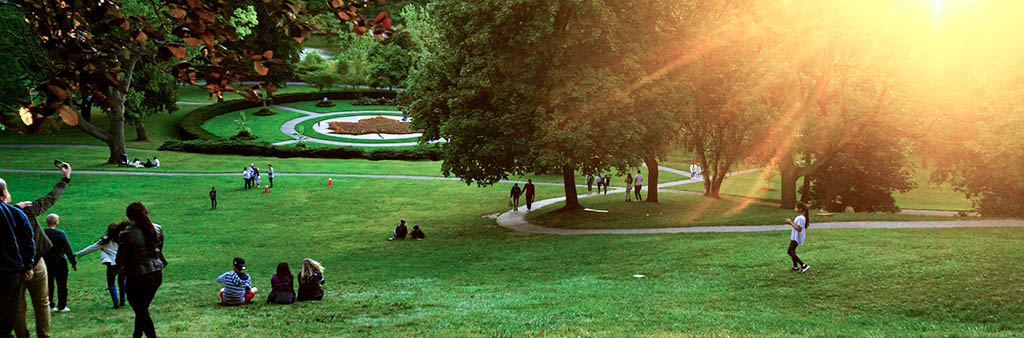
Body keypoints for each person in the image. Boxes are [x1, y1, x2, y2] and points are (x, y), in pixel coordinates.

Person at [13, 162, 71, 338]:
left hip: (13, 267)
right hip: (35, 263)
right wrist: (65, 178)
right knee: (42, 303)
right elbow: (50, 198)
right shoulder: (26, 212)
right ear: (4, 194)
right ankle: (44, 336)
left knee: (17, 305)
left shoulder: (17, 211)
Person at [116, 202, 166, 338]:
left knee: (141, 311)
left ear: (129, 217)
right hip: (156, 274)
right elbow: (159, 250)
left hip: (138, 277)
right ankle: (137, 334)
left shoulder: (127, 234)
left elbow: (119, 260)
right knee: (142, 309)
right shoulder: (157, 229)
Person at [1, 177, 35, 338]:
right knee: (7, 314)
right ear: (4, 192)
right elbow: (27, 242)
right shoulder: (15, 214)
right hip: (9, 272)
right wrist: (28, 266)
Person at [76, 222, 128, 309]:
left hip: (112, 265)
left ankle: (115, 302)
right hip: (122, 264)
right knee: (122, 282)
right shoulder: (122, 239)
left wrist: (78, 254)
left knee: (111, 283)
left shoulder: (105, 240)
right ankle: (122, 301)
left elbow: (91, 248)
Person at [43, 214, 76, 314]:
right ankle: (62, 305)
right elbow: (67, 249)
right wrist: (73, 262)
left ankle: (50, 305)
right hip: (60, 262)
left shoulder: (42, 233)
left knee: (49, 284)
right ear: (56, 222)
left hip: (46, 262)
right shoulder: (60, 234)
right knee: (62, 284)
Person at [786, 203, 811, 273]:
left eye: (796, 208)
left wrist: (791, 223)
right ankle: (795, 267)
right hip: (795, 236)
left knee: (790, 251)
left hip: (796, 237)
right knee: (792, 250)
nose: (795, 209)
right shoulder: (801, 217)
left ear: (801, 209)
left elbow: (799, 229)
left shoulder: (801, 218)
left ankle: (803, 265)